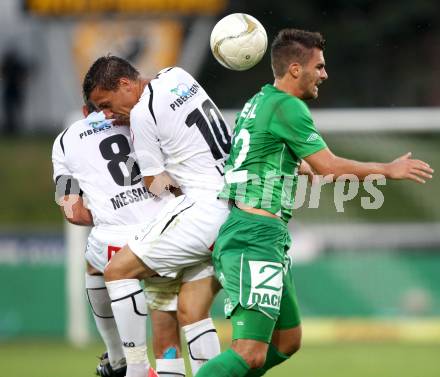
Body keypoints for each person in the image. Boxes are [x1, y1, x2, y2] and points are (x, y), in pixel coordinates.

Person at [196, 28, 434, 377]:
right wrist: (389, 169)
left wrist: (297, 163)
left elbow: (260, 152)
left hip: (263, 235)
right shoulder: (289, 107)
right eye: (319, 66)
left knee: (287, 341)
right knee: (249, 354)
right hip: (254, 237)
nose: (324, 74)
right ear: (295, 69)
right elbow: (330, 166)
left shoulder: (260, 100)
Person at [83, 57, 231, 377]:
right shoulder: (178, 76)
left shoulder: (141, 113)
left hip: (202, 213)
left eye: (106, 105)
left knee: (117, 271)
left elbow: (154, 182)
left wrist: (173, 187)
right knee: (192, 313)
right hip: (231, 203)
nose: (107, 115)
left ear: (124, 85)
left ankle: (135, 370)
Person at [52, 104, 213, 377]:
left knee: (93, 264)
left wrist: (107, 212)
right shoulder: (143, 120)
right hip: (168, 237)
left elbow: (73, 213)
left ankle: (118, 357)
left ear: (83, 109)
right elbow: (178, 180)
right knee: (169, 338)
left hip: (113, 244)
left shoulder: (65, 141)